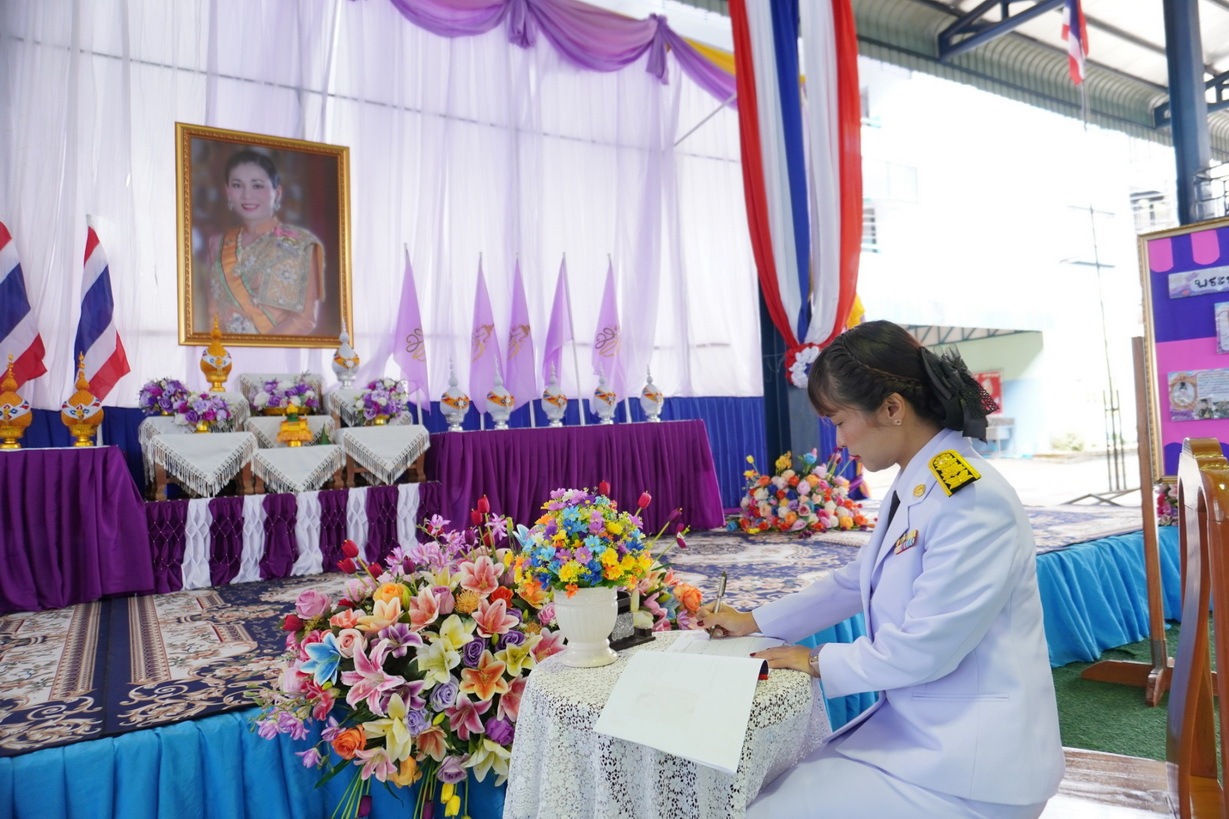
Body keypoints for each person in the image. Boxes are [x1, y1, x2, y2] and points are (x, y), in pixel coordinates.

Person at [698, 320, 1063, 819]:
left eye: (840, 421)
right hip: (923, 739)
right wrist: (754, 621)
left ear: (892, 408)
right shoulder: (920, 479)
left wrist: (815, 660)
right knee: (759, 794)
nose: (838, 441)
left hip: (973, 768)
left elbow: (923, 649)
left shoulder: (970, 498)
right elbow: (856, 580)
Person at [205, 149, 325, 336]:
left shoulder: (300, 244)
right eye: (237, 185)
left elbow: (304, 320)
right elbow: (213, 315)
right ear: (228, 192)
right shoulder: (217, 244)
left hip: (277, 351)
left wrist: (259, 349)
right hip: (225, 352)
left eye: (257, 186)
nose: (247, 195)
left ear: (277, 192)